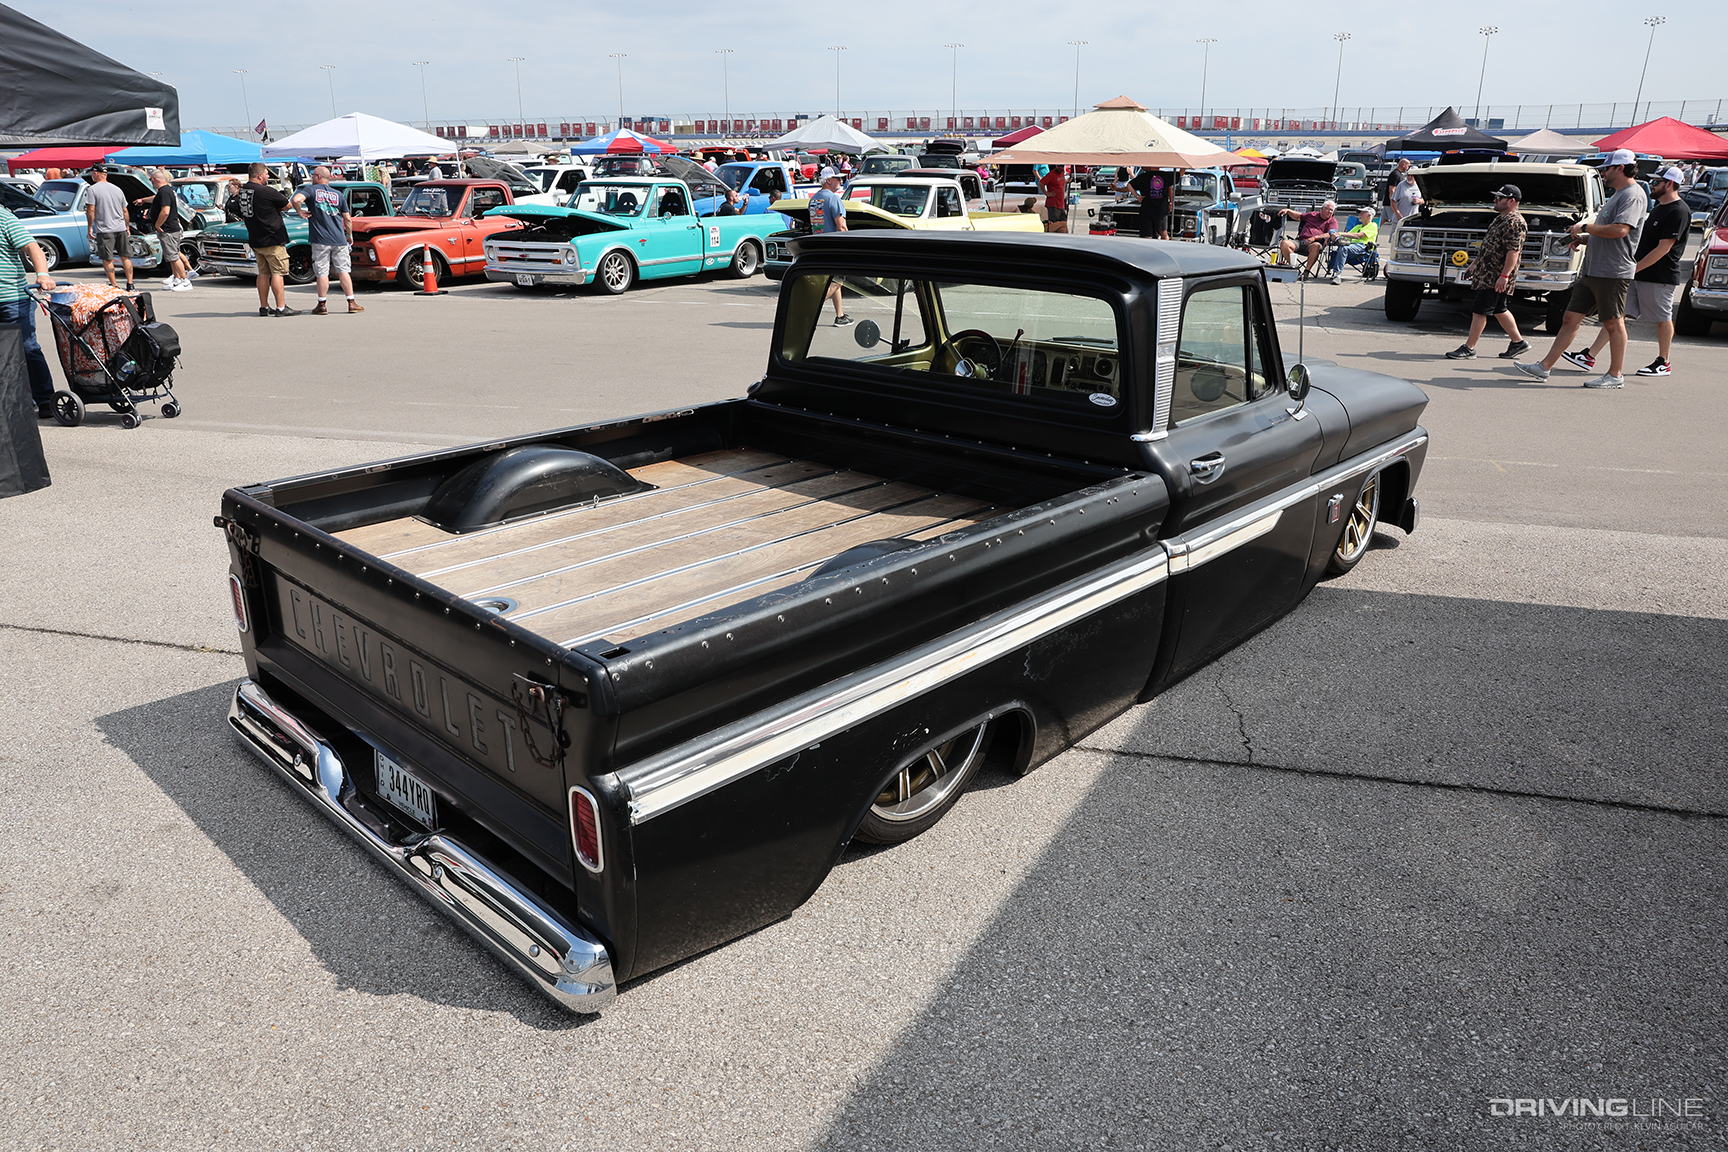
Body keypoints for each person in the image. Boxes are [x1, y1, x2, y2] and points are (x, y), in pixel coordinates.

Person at [1513, 149, 1648, 388]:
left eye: (1607, 169)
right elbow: (1609, 232)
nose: (1603, 173)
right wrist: (1585, 238)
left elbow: (1620, 230)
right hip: (1594, 269)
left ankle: (1615, 375)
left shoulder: (1632, 195)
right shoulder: (1619, 194)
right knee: (1570, 318)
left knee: (1613, 323)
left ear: (1620, 168)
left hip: (1612, 271)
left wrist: (1585, 228)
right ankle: (1544, 367)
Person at [1559, 166, 1689, 378]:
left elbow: (1664, 248)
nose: (1652, 185)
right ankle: (1589, 355)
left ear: (1670, 184)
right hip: (1635, 272)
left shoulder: (1679, 211)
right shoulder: (1658, 208)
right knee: (1616, 315)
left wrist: (1635, 268)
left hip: (1659, 275)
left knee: (1662, 317)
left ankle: (1664, 361)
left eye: (1657, 182)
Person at [1444, 184, 1530, 359]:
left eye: (1499, 198)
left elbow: (1513, 252)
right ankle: (1518, 342)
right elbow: (1489, 246)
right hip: (1488, 272)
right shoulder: (1500, 219)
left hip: (1495, 275)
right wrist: (1475, 264)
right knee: (1499, 309)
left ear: (1511, 201)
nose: (1495, 200)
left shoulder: (1514, 222)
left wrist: (1504, 276)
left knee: (1480, 310)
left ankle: (1469, 348)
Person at [0, 203, 59, 419]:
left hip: (12, 299)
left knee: (27, 347)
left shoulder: (4, 218)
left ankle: (44, 399)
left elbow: (32, 247)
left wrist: (42, 274)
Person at [291, 166, 363, 316]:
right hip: (339, 238)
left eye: (313, 175)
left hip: (320, 239)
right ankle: (351, 302)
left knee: (322, 272)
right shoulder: (338, 194)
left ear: (318, 177)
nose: (311, 177)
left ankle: (322, 304)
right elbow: (347, 218)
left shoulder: (311, 190)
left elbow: (296, 199)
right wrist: (349, 235)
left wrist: (299, 211)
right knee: (343, 270)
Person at [235, 162, 297, 317]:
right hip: (272, 237)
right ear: (260, 175)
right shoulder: (267, 191)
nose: (268, 176)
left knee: (263, 272)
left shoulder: (243, 191)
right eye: (267, 174)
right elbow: (287, 205)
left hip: (255, 237)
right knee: (278, 272)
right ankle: (281, 307)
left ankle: (264, 306)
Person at [807, 174, 850, 325]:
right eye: (837, 178)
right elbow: (841, 227)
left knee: (833, 280)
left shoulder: (814, 199)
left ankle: (840, 316)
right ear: (828, 180)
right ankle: (808, 309)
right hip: (834, 248)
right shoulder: (834, 199)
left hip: (818, 246)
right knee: (838, 280)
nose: (841, 181)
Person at [84, 168, 134, 291]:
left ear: (96, 173)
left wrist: (90, 228)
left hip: (105, 229)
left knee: (107, 258)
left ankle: (114, 285)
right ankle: (130, 284)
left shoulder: (93, 189)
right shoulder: (117, 189)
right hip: (120, 227)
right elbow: (125, 211)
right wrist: (127, 226)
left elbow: (91, 210)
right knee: (125, 256)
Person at [147, 169, 194, 292]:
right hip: (169, 229)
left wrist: (158, 224)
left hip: (168, 229)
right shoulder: (166, 191)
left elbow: (165, 211)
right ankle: (177, 279)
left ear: (153, 179)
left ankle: (185, 281)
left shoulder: (164, 192)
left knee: (173, 256)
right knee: (171, 256)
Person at [1276, 200, 1339, 277]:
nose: (1330, 212)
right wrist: (1288, 211)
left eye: (1332, 210)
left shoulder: (1332, 221)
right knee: (1284, 243)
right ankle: (1295, 269)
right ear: (1322, 208)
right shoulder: (1313, 215)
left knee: (1316, 246)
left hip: (1313, 244)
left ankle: (1306, 271)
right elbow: (1298, 216)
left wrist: (1314, 238)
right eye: (1328, 209)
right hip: (1300, 241)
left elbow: (1331, 234)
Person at [1327, 209, 1379, 283]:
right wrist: (1336, 235)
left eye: (1362, 213)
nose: (1359, 215)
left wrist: (1340, 234)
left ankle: (1337, 275)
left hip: (1362, 247)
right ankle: (1339, 240)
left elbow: (1358, 236)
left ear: (1369, 215)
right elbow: (1347, 235)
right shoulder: (1358, 226)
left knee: (1343, 248)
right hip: (1349, 244)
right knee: (1332, 231)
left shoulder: (1373, 225)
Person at [1129, 167, 1170, 238]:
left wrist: (1137, 196)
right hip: (1160, 209)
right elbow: (1172, 185)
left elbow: (1129, 185)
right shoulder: (1165, 175)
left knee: (1150, 235)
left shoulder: (1143, 177)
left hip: (1148, 208)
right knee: (1158, 233)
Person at [1380, 157, 1415, 231]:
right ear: (1403, 165)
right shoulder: (1396, 174)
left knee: (1382, 220)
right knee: (1396, 221)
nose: (1408, 168)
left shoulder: (1398, 174)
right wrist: (1393, 204)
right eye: (1408, 166)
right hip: (1390, 203)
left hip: (1388, 202)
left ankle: (1374, 234)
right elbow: (1392, 190)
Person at [1388, 163, 1422, 230]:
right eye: (1408, 175)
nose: (1409, 177)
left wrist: (1419, 201)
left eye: (1412, 175)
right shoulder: (1401, 185)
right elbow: (1393, 200)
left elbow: (1424, 199)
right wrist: (1398, 214)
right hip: (1400, 219)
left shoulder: (1420, 185)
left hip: (1413, 219)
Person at [1039, 164, 1069, 234]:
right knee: (1056, 224)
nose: (1060, 167)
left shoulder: (1062, 173)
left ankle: (1063, 238)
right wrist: (1047, 193)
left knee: (1063, 226)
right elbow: (1041, 183)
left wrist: (1067, 181)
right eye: (1059, 166)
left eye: (1062, 166)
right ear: (1056, 165)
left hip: (1061, 204)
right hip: (1053, 205)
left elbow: (1060, 181)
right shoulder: (1051, 174)